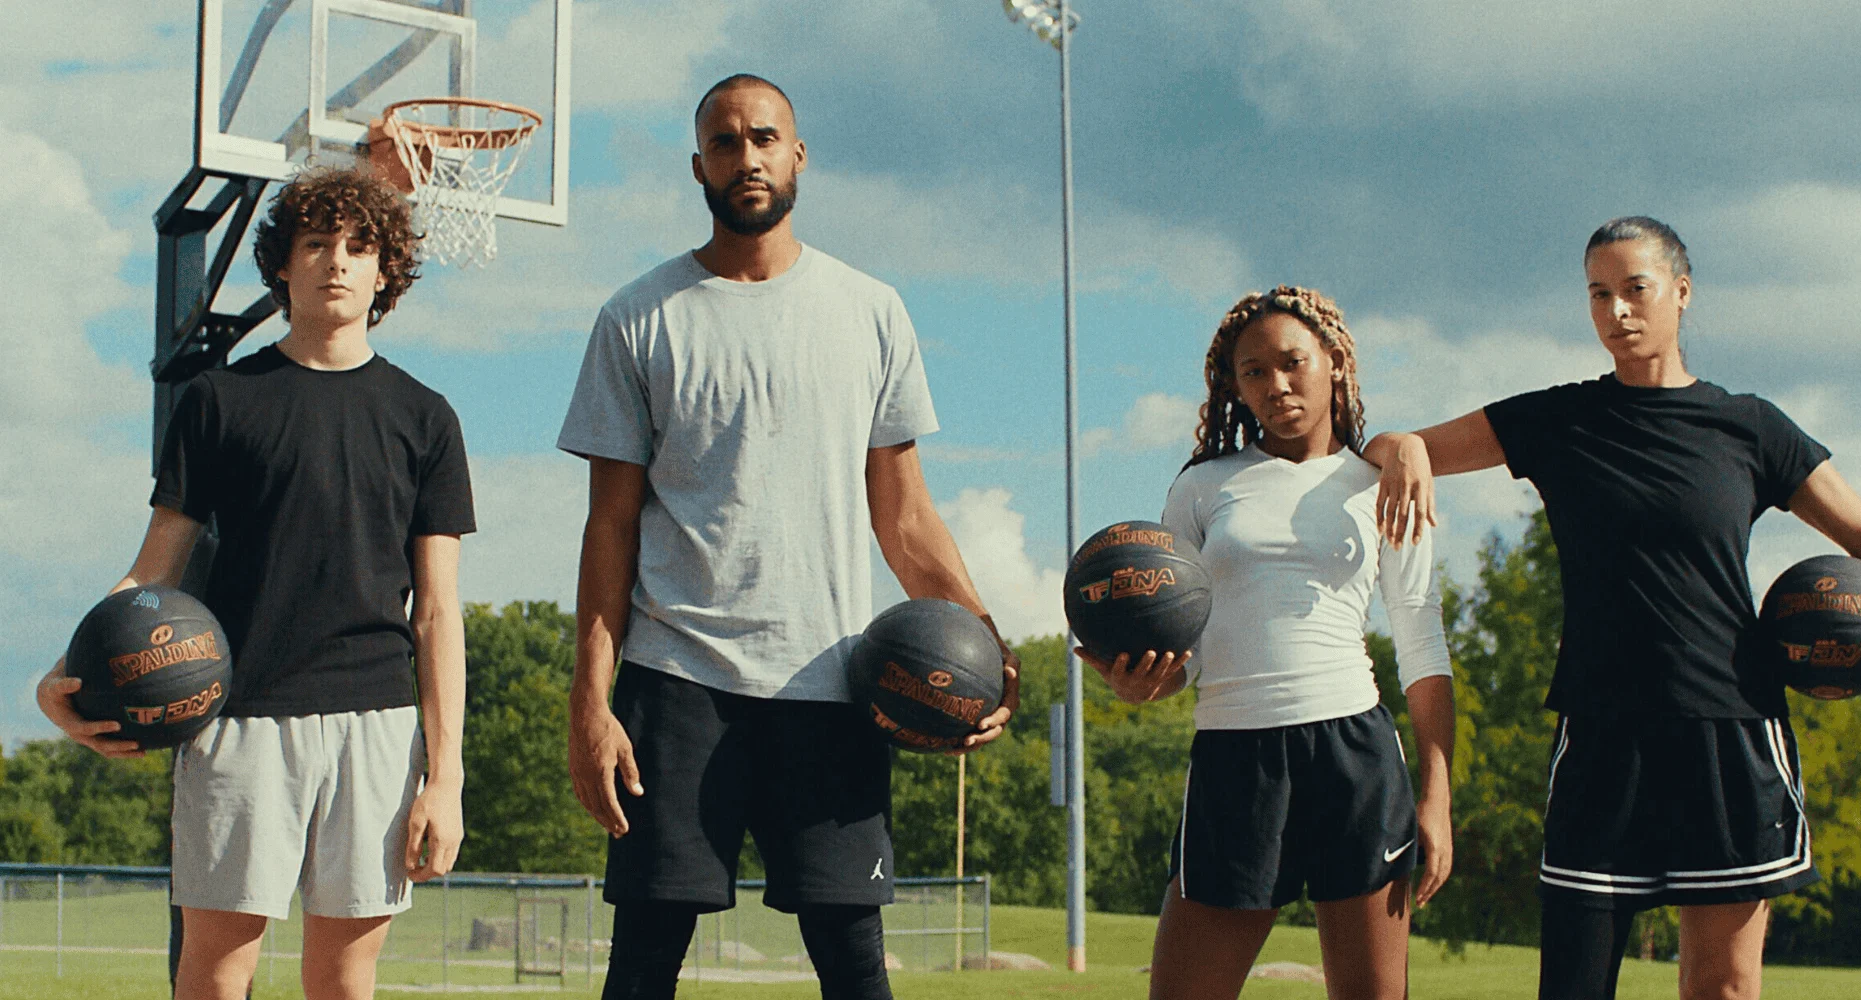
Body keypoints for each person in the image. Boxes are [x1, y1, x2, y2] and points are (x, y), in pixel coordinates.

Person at [1365, 216, 1861, 1000]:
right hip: (1602, 737)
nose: (1617, 312)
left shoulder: (1749, 427)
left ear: (1681, 294)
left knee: (1722, 989)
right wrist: (1402, 446)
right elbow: (1388, 448)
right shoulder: (1559, 421)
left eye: (1635, 290)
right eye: (1599, 294)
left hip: (1732, 732)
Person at [559, 74, 1022, 1000]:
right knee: (643, 965)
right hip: (677, 679)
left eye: (764, 138)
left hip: (834, 680)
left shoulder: (871, 310)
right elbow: (609, 526)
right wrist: (590, 701)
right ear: (700, 165)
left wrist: (983, 639)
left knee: (854, 966)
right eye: (725, 143)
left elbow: (906, 516)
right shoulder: (638, 317)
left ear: (798, 153)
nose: (747, 158)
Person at [36, 166, 475, 1000]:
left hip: (375, 725)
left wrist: (444, 777)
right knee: (214, 972)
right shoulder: (219, 400)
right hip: (237, 718)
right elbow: (151, 574)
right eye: (315, 244)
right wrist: (66, 677)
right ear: (281, 266)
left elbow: (439, 611)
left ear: (387, 270)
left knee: (345, 981)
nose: (336, 261)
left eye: (358, 245)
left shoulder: (426, 417)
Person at [1085, 287, 1455, 1000]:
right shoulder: (1202, 488)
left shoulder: (1385, 480)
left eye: (1292, 362)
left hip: (1356, 755)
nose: (1276, 385)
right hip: (1235, 756)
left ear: (1335, 362)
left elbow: (1421, 643)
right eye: (1253, 372)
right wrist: (1147, 680)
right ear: (1233, 386)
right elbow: (1183, 647)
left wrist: (1437, 799)